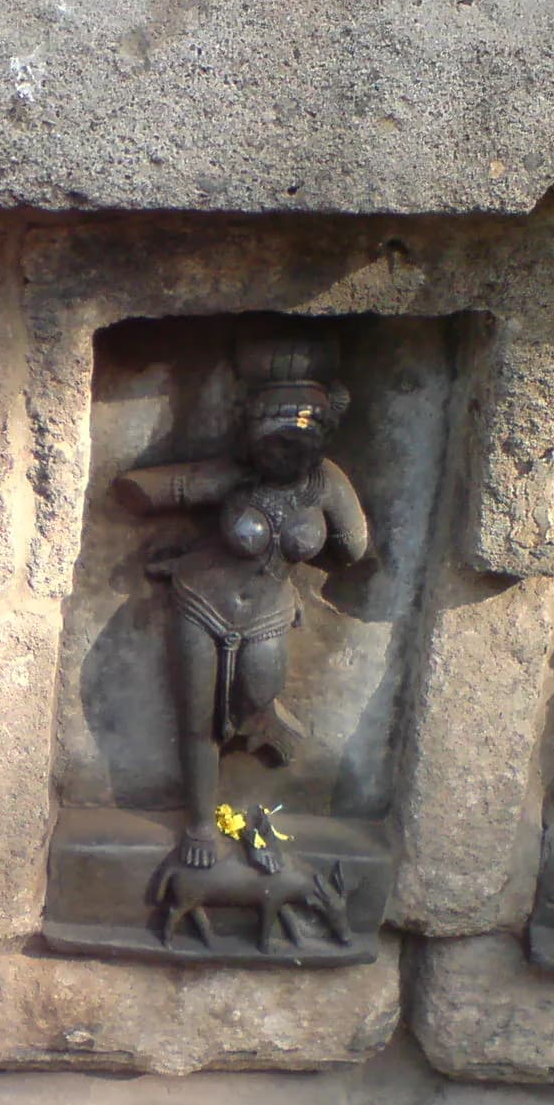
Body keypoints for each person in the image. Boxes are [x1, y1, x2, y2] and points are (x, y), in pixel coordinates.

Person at [116, 337, 369, 870]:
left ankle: (263, 721)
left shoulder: (326, 484)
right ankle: (201, 826)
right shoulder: (236, 475)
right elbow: (162, 488)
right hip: (201, 602)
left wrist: (300, 554)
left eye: (303, 433)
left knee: (261, 689)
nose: (284, 449)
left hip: (269, 610)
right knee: (198, 720)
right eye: (270, 435)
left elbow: (354, 546)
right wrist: (145, 493)